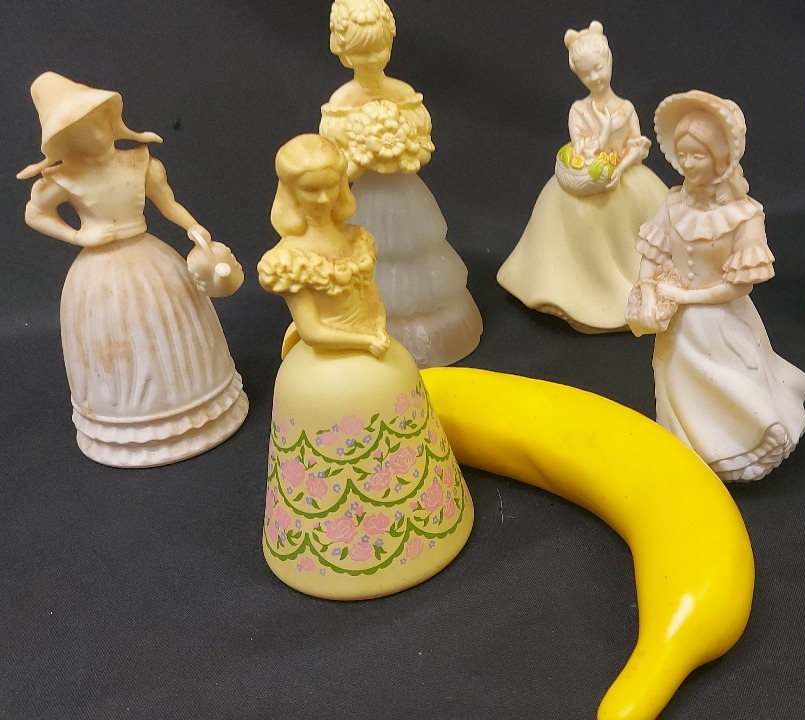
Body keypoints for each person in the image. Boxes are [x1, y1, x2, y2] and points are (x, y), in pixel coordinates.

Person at [258, 134, 472, 600]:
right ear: (290, 193)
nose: (322, 199)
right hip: (340, 354)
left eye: (330, 186)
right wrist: (364, 340)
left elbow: (373, 299)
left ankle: (428, 523)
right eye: (310, 189)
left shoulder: (357, 240)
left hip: (376, 345)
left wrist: (377, 329)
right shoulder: (290, 260)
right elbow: (312, 330)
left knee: (393, 390)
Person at [18, 72, 247, 468]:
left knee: (172, 327)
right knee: (118, 344)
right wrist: (79, 236)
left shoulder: (138, 162)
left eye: (100, 119)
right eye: (83, 127)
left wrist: (193, 227)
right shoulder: (63, 178)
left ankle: (199, 403)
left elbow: (168, 203)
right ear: (65, 138)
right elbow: (35, 213)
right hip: (99, 279)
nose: (97, 131)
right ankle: (125, 424)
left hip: (153, 264)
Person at [627, 91, 805, 482]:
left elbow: (737, 287)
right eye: (683, 154)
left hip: (720, 321)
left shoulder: (745, 216)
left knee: (726, 384)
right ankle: (687, 444)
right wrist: (647, 288)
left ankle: (739, 444)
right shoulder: (672, 204)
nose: (688, 164)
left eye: (698, 155)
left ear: (720, 158)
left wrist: (685, 296)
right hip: (675, 321)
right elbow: (654, 253)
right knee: (675, 382)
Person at [320, 0, 481, 367]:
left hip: (405, 195)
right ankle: (375, 327)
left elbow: (423, 148)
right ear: (342, 52)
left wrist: (401, 154)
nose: (371, 58)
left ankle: (437, 336)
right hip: (368, 202)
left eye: (378, 48)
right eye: (361, 52)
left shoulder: (403, 94)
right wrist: (363, 159)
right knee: (371, 254)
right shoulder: (341, 103)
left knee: (416, 248)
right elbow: (335, 165)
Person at [497, 21, 668, 333]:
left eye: (599, 68)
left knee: (647, 224)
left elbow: (637, 145)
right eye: (587, 74)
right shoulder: (579, 110)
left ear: (609, 61)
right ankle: (582, 295)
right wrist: (604, 133)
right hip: (589, 179)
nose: (595, 77)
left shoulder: (626, 107)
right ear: (578, 76)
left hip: (625, 178)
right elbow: (583, 150)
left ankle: (643, 288)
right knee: (574, 219)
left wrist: (620, 168)